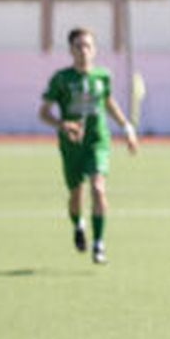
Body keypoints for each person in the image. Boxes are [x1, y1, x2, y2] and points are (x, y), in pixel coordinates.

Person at [37, 27, 138, 264]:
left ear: (94, 49)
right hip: (72, 145)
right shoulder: (61, 79)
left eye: (88, 46)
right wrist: (64, 124)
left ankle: (98, 244)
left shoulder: (102, 76)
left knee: (99, 188)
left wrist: (127, 127)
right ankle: (78, 225)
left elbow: (108, 102)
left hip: (97, 141)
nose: (84, 50)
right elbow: (43, 113)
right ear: (71, 50)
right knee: (75, 195)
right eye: (79, 46)